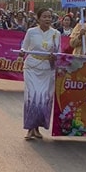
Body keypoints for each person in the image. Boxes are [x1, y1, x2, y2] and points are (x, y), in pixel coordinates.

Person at [21, 8, 60, 140]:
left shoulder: (56, 33)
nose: (47, 19)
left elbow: (58, 52)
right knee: (32, 96)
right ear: (38, 18)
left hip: (47, 69)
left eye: (49, 17)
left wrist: (54, 57)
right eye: (44, 16)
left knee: (43, 98)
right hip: (32, 67)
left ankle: (37, 128)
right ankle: (29, 128)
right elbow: (24, 47)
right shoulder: (31, 32)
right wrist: (21, 52)